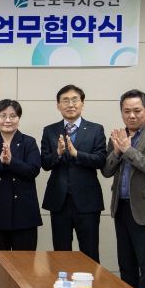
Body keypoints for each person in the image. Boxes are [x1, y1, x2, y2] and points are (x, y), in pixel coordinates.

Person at [102, 89, 145, 288]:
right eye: (127, 111)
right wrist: (117, 151)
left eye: (137, 110)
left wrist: (128, 150)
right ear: (121, 112)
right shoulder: (117, 137)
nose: (132, 115)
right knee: (126, 263)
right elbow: (106, 170)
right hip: (121, 208)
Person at [41, 85, 106, 263]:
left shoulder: (95, 129)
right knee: (61, 254)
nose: (70, 104)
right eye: (65, 101)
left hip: (88, 200)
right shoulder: (50, 130)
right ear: (58, 105)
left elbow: (101, 159)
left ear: (82, 103)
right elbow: (44, 163)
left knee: (90, 252)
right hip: (59, 200)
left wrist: (77, 154)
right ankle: (62, 282)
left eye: (74, 100)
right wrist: (58, 153)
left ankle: (91, 282)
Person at [0, 99, 42, 251]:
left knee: (24, 262)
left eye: (13, 116)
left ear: (19, 118)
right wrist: (0, 161)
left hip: (24, 212)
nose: (7, 120)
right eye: (3, 115)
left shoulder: (29, 142)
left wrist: (11, 161)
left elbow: (33, 170)